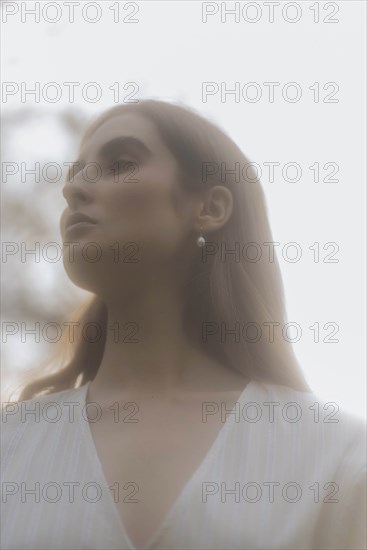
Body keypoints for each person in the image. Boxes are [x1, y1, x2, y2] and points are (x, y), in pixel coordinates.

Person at [1, 99, 365, 550]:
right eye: (75, 174)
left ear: (210, 207)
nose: (73, 189)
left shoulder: (338, 461)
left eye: (119, 163)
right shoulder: (11, 448)